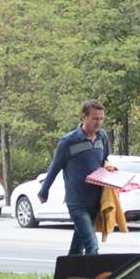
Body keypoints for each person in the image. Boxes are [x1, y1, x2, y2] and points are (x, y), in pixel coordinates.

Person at [39, 100, 112, 258]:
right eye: (94, 118)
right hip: (77, 202)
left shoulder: (102, 137)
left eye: (101, 119)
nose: (98, 122)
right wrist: (44, 191)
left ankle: (67, 277)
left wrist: (110, 172)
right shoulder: (68, 141)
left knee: (76, 248)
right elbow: (55, 167)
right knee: (92, 245)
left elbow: (105, 161)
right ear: (84, 117)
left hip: (95, 199)